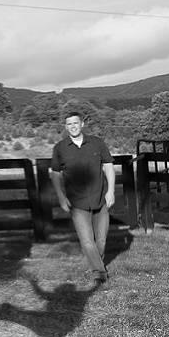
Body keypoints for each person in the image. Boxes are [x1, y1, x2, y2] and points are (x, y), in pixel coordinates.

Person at [49, 112, 116, 288]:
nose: (73, 126)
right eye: (69, 124)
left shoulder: (97, 143)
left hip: (100, 198)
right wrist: (61, 196)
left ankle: (97, 264)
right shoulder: (60, 148)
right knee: (87, 240)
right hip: (76, 202)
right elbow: (55, 174)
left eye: (76, 123)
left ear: (82, 124)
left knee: (100, 239)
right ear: (65, 127)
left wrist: (111, 191)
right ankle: (99, 273)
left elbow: (108, 166)